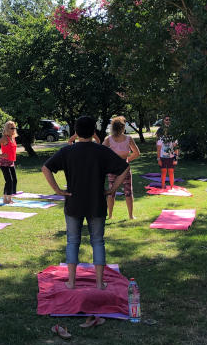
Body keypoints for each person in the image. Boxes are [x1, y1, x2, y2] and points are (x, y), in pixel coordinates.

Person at [42, 116, 129, 290]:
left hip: (74, 202)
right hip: (96, 203)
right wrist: (112, 190)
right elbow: (125, 167)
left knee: (72, 241)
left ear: (75, 132)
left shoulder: (67, 151)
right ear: (94, 132)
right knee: (97, 241)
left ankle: (71, 282)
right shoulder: (101, 151)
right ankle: (99, 283)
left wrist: (58, 190)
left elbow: (46, 168)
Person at [103, 116, 140, 219]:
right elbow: (136, 153)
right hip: (124, 167)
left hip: (113, 168)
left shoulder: (109, 139)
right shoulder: (128, 139)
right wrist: (128, 160)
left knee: (111, 192)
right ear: (123, 127)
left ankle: (110, 215)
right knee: (128, 192)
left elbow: (100, 152)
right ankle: (131, 216)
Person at [0, 121, 18, 204]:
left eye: (14, 127)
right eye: (11, 128)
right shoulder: (5, 138)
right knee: (9, 180)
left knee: (14, 180)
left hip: (11, 162)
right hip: (4, 163)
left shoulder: (12, 138)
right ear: (7, 129)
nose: (13, 129)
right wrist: (0, 155)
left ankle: (9, 198)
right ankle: (6, 199)